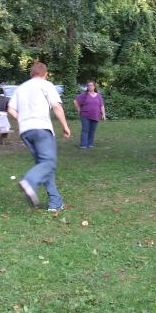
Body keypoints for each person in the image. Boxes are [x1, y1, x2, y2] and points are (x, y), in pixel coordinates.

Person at [7, 62, 71, 212]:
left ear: (31, 74)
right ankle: (29, 181)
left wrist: (23, 119)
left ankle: (55, 203)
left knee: (43, 166)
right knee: (49, 163)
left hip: (26, 131)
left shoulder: (21, 88)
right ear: (45, 74)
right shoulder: (46, 85)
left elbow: (10, 109)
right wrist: (65, 126)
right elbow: (56, 106)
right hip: (41, 128)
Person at [73, 80, 106, 149]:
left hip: (95, 115)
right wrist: (79, 109)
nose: (89, 87)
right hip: (85, 115)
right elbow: (75, 101)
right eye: (88, 85)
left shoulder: (98, 95)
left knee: (92, 130)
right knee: (85, 130)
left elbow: (102, 105)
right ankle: (83, 145)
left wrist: (103, 114)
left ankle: (90, 144)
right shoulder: (84, 94)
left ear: (94, 87)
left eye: (91, 85)